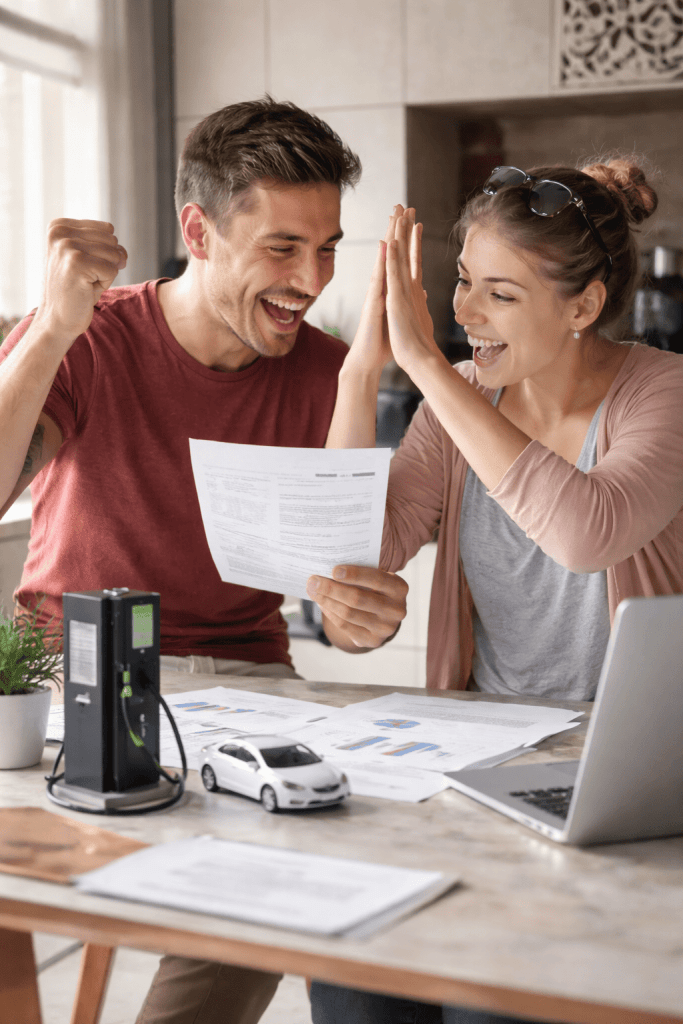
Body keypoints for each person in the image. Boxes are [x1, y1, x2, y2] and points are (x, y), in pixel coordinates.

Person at [0, 97, 373, 1024]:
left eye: (326, 247)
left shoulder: (328, 374)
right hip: (64, 669)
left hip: (247, 677)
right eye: (283, 248)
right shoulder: (87, 338)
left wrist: (361, 609)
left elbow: (345, 589)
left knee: (294, 866)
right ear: (197, 232)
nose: (311, 278)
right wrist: (47, 330)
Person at [307, 158, 683, 1023]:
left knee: (491, 1001)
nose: (464, 313)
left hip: (624, 772)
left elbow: (587, 532)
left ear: (582, 306)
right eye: (462, 283)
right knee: (351, 963)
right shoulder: (459, 402)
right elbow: (356, 552)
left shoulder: (661, 393)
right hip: (481, 756)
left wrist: (429, 367)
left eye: (499, 295)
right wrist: (361, 372)